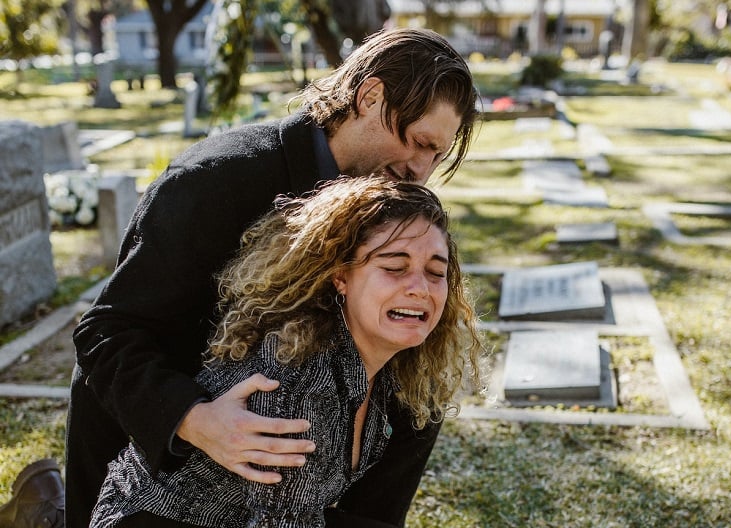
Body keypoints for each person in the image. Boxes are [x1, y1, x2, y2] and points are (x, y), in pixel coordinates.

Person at [66, 27, 479, 528]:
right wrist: (197, 420)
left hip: (297, 454)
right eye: (417, 143)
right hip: (156, 465)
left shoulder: (384, 201)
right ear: (369, 97)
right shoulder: (215, 180)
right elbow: (106, 332)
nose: (422, 169)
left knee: (421, 389)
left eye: (437, 155)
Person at [88, 177, 484, 527]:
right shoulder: (295, 385)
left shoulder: (382, 366)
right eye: (395, 266)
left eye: (436, 272)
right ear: (341, 276)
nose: (421, 287)